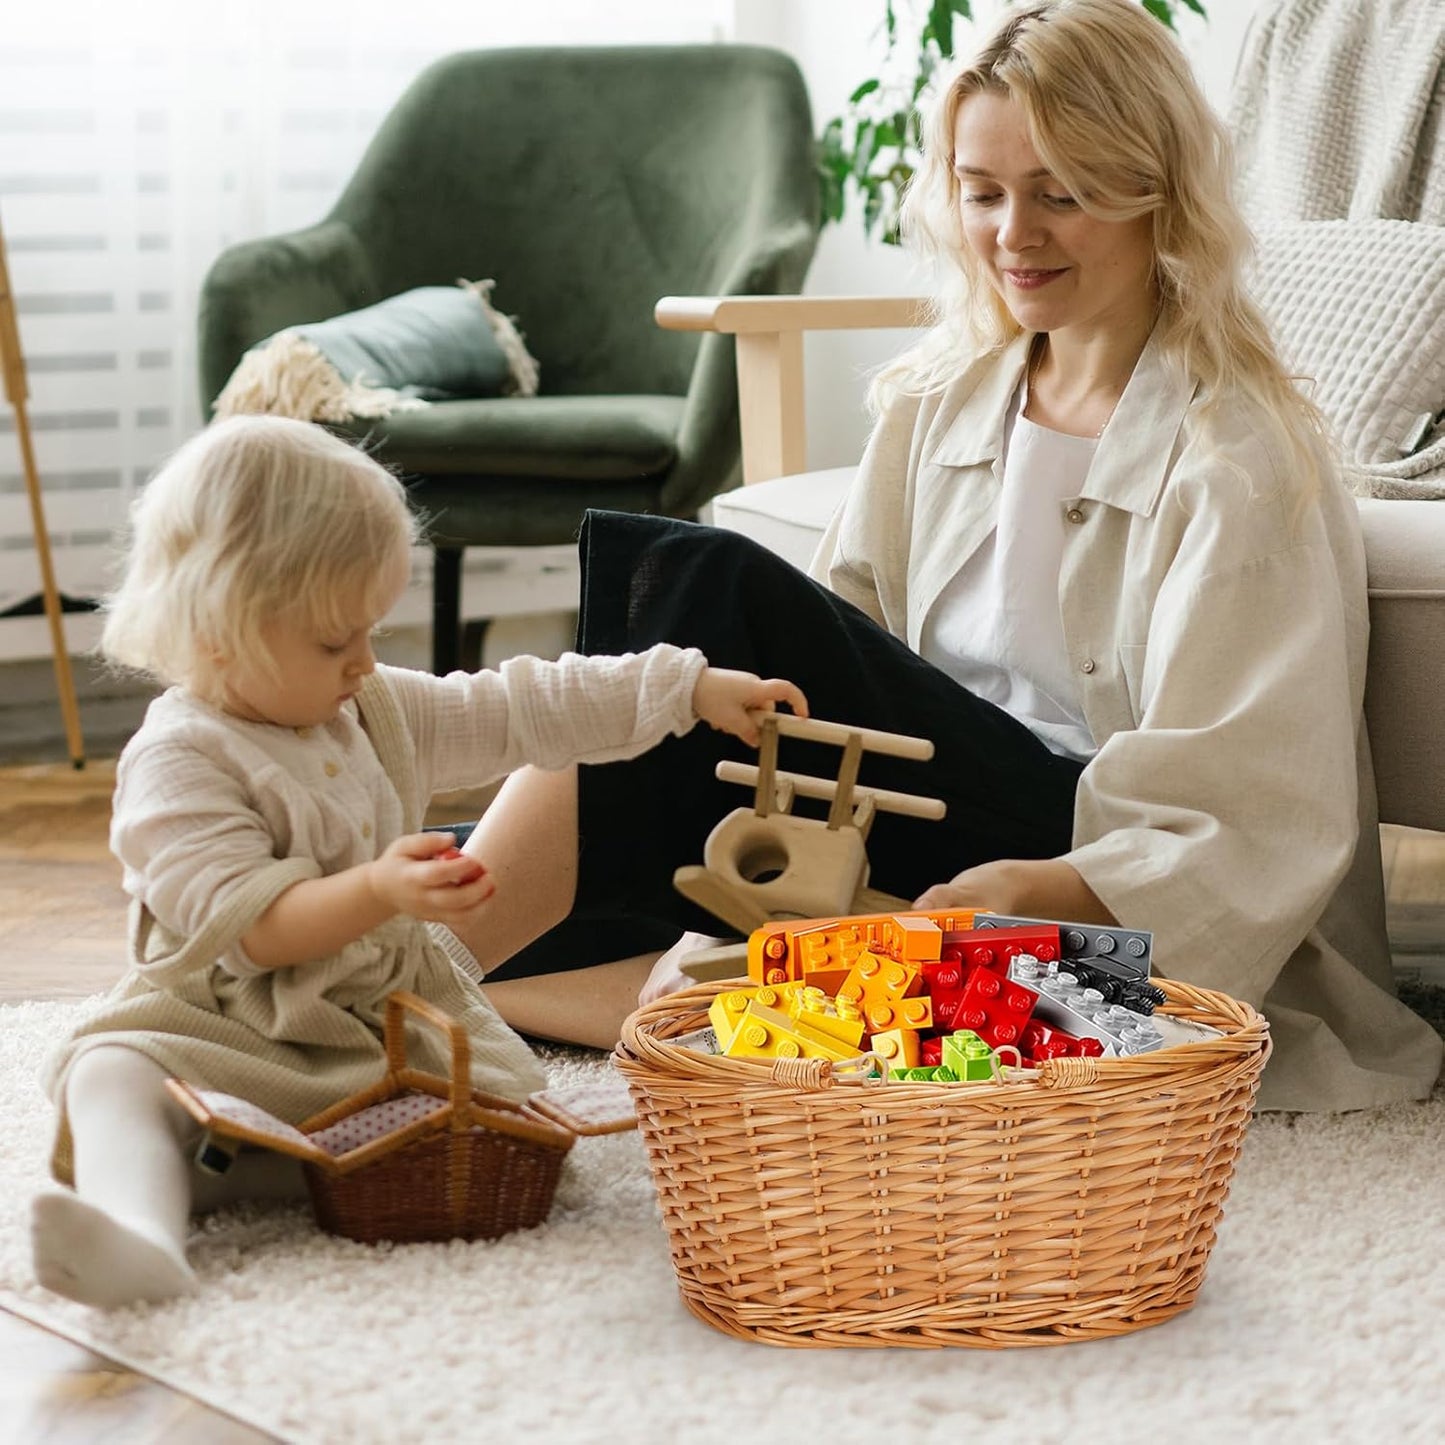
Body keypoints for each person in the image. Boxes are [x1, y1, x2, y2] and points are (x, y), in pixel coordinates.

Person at [437, 0, 1441, 1114]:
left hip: (1083, 883)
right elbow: (843, 659)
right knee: (486, 852)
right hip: (919, 840)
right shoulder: (940, 402)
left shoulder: (1237, 458)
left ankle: (401, 999)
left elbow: (1251, 815)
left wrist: (1046, 884)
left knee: (702, 587)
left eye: (1059, 192)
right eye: (982, 192)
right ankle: (726, 1011)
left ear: (1153, 190)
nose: (1014, 232)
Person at [30, 413, 806, 1308]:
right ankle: (143, 1235)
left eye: (371, 630)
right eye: (334, 641)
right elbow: (252, 934)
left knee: (492, 1125)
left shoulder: (371, 707)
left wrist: (683, 688)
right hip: (227, 1020)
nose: (365, 662)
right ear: (217, 630)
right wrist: (377, 888)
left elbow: (522, 708)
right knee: (107, 1071)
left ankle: (247, 1164)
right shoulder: (180, 760)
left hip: (379, 1022)